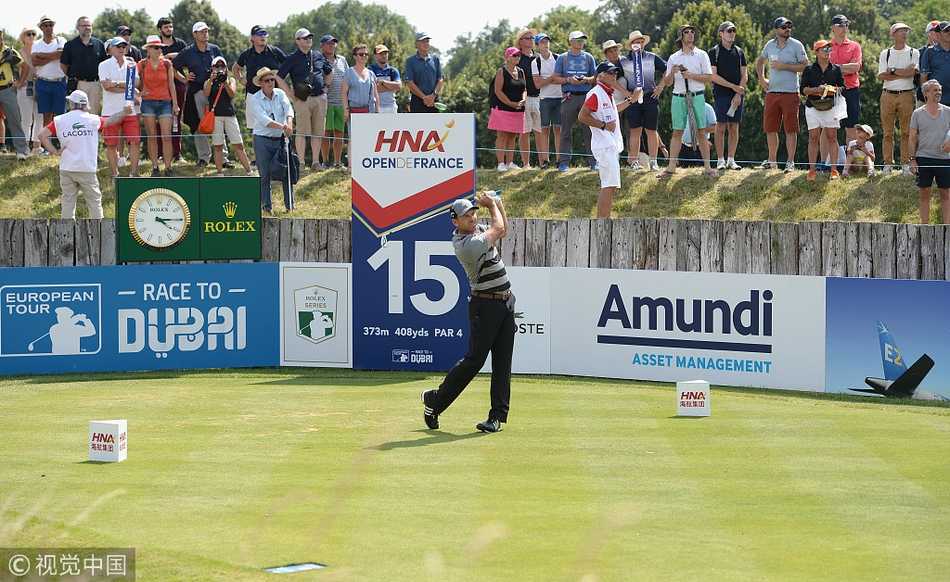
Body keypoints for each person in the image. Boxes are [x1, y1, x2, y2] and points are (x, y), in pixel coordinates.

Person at [422, 192, 513, 434]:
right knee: (474, 361)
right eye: (466, 215)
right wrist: (492, 203)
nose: (472, 216)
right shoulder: (467, 245)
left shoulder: (477, 231)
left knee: (503, 363)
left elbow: (502, 230)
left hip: (505, 302)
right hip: (485, 305)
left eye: (473, 212)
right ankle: (435, 401)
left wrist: (499, 203)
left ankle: (496, 418)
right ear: (455, 221)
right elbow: (498, 228)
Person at [37, 90, 133, 219]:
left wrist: (55, 152)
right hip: (87, 168)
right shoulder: (92, 119)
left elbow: (41, 136)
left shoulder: (59, 120)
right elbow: (111, 120)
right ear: (85, 104)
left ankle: (67, 235)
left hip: (67, 167)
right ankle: (98, 234)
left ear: (72, 103)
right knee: (94, 203)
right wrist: (124, 112)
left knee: (68, 203)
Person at [656, 24, 715, 178]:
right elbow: (668, 82)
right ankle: (671, 167)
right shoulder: (673, 58)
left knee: (701, 131)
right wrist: (672, 73)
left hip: (697, 96)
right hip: (678, 96)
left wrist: (691, 76)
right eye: (686, 32)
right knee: (677, 132)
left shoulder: (702, 55)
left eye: (692, 32)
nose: (690, 34)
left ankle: (708, 168)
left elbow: (709, 77)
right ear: (681, 37)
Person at [578, 61, 633, 217]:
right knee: (608, 186)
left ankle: (604, 221)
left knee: (611, 185)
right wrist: (603, 125)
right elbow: (582, 116)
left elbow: (615, 111)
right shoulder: (596, 93)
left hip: (610, 145)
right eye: (611, 73)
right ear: (601, 76)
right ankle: (603, 222)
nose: (614, 75)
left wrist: (631, 100)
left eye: (615, 72)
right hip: (604, 146)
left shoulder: (607, 93)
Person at [755, 17, 807, 172]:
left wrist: (784, 66)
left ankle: (790, 162)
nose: (787, 29)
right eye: (784, 27)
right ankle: (772, 161)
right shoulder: (769, 45)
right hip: (772, 93)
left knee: (791, 129)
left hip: (791, 93)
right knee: (770, 129)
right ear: (776, 29)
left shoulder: (797, 45)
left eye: (789, 27)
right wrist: (761, 79)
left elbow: (805, 66)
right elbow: (760, 61)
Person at [276, 28, 331, 171]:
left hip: (320, 98)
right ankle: (300, 163)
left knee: (318, 131)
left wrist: (326, 88)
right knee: (301, 132)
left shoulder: (318, 55)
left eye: (310, 38)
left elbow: (328, 71)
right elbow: (279, 77)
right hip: (302, 100)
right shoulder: (292, 58)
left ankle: (315, 162)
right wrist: (290, 95)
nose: (308, 40)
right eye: (305, 38)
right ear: (297, 41)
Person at [173, 21, 224, 167]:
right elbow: (172, 67)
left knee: (218, 124)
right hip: (197, 92)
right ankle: (204, 157)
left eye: (206, 31)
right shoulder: (187, 52)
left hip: (215, 92)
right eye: (201, 31)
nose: (205, 34)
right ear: (194, 34)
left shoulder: (215, 49)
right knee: (199, 125)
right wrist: (184, 79)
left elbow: (223, 67)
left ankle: (223, 159)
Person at [247, 67, 295, 215]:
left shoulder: (280, 94)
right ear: (260, 83)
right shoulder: (254, 99)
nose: (270, 82)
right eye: (267, 80)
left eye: (272, 79)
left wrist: (289, 123)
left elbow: (289, 110)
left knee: (287, 172)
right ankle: (267, 207)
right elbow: (264, 120)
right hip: (262, 140)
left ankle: (290, 206)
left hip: (281, 139)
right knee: (265, 174)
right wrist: (283, 126)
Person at [621, 30, 666, 172]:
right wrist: (626, 93)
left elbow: (667, 69)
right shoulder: (623, 61)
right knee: (635, 131)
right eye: (636, 42)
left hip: (650, 97)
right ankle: (634, 162)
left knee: (652, 131)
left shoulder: (652, 57)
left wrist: (660, 87)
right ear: (631, 44)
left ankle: (653, 162)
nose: (639, 44)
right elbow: (612, 78)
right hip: (633, 100)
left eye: (641, 41)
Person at [878, 23, 919, 176]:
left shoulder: (913, 52)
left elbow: (913, 72)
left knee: (906, 132)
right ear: (893, 34)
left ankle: (905, 164)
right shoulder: (885, 53)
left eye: (906, 31)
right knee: (887, 133)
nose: (904, 33)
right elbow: (881, 75)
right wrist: (904, 72)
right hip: (887, 94)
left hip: (907, 94)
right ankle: (888, 164)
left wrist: (893, 70)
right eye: (901, 31)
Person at [801, 39, 845, 181]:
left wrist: (831, 90)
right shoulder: (808, 69)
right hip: (812, 107)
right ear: (817, 52)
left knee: (832, 138)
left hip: (830, 107)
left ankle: (833, 170)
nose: (827, 52)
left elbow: (842, 87)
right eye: (824, 49)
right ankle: (812, 170)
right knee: (813, 138)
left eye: (829, 49)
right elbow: (803, 90)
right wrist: (817, 90)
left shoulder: (836, 69)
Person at [553, 30, 596, 171]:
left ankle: (594, 162)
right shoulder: (562, 58)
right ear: (570, 41)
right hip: (568, 97)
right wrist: (568, 80)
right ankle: (564, 162)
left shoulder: (589, 57)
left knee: (589, 130)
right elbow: (555, 78)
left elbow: (595, 78)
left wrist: (585, 80)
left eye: (583, 40)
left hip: (586, 97)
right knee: (565, 131)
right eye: (578, 40)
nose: (581, 42)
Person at [99, 37, 140, 177]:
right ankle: (115, 174)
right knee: (111, 144)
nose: (122, 48)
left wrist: (115, 84)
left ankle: (134, 174)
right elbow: (106, 86)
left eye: (124, 46)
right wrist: (126, 85)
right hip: (110, 111)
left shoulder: (132, 64)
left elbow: (135, 84)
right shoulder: (103, 65)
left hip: (130, 110)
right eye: (118, 46)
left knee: (134, 142)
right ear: (110, 49)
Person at [909, 80, 950, 223]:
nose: (938, 92)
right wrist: (912, 159)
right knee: (924, 194)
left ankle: (947, 228)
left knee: (946, 194)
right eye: (934, 90)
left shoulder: (948, 111)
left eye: (939, 90)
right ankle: (924, 227)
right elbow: (912, 138)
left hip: (945, 159)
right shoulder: (917, 113)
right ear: (926, 93)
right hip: (924, 158)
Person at [137, 35, 178, 176]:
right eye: (156, 47)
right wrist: (139, 93)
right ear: (148, 49)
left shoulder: (167, 64)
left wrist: (175, 104)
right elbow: (133, 82)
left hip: (165, 102)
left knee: (167, 137)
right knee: (152, 137)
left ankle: (168, 167)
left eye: (160, 47)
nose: (159, 49)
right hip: (148, 103)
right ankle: (155, 167)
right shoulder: (141, 64)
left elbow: (172, 85)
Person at [204, 56, 252, 175]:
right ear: (212, 68)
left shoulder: (231, 80)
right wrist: (211, 80)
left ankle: (249, 171)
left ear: (226, 67)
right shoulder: (209, 81)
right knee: (218, 146)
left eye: (222, 66)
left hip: (230, 115)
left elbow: (232, 94)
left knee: (238, 144)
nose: (220, 68)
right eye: (217, 66)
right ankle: (220, 172)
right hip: (216, 116)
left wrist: (224, 82)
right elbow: (206, 93)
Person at [709, 21, 747, 171]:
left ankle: (731, 160)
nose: (732, 33)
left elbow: (745, 74)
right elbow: (713, 76)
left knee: (734, 127)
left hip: (737, 95)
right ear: (721, 34)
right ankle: (720, 160)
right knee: (721, 127)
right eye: (728, 31)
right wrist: (733, 87)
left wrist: (738, 92)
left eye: (733, 31)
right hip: (721, 94)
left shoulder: (739, 52)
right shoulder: (714, 52)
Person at [234, 25, 286, 129]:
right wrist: (240, 79)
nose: (263, 37)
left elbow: (288, 66)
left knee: (279, 126)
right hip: (253, 95)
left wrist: (280, 80)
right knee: (255, 128)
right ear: (252, 38)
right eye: (259, 34)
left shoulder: (275, 52)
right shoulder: (246, 54)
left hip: (274, 95)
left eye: (264, 34)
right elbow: (236, 68)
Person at [488, 47, 527, 172]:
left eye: (518, 55)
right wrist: (511, 103)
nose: (517, 57)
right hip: (502, 108)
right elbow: (498, 91)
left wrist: (523, 100)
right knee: (502, 135)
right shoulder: (501, 71)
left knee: (512, 136)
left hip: (517, 108)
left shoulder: (521, 71)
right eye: (514, 55)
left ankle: (510, 162)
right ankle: (500, 163)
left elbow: (524, 89)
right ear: (507, 57)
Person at [343, 43, 380, 167]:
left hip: (368, 110)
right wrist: (346, 109)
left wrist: (378, 111)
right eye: (360, 54)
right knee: (353, 139)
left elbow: (375, 94)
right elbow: (343, 93)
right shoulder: (349, 73)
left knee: (367, 139)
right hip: (353, 110)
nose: (363, 56)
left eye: (366, 54)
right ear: (354, 56)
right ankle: (351, 166)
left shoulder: (370, 73)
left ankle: (365, 165)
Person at [60, 16, 106, 115]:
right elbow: (63, 65)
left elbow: (103, 65)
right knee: (77, 113)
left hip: (95, 85)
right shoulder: (70, 45)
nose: (87, 28)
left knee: (94, 113)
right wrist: (72, 76)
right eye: (84, 25)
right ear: (78, 27)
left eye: (89, 25)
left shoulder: (99, 44)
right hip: (78, 84)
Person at [156, 17, 187, 161]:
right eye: (166, 27)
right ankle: (160, 153)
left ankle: (176, 153)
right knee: (160, 119)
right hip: (160, 85)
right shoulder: (156, 44)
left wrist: (170, 55)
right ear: (160, 29)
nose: (169, 29)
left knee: (176, 118)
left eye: (170, 27)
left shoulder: (180, 43)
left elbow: (188, 57)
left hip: (179, 84)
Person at [829, 15, 862, 145]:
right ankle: (827, 163)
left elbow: (855, 67)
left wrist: (835, 68)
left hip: (851, 90)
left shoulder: (855, 46)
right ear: (833, 28)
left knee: (851, 127)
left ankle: (850, 163)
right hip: (831, 91)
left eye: (846, 25)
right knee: (829, 129)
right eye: (841, 25)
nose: (844, 28)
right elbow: (824, 70)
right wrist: (844, 67)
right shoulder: (827, 46)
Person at [320, 34, 349, 168]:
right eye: (328, 43)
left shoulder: (342, 60)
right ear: (322, 45)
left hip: (341, 102)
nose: (332, 45)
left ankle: (337, 162)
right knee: (325, 133)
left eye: (333, 43)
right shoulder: (318, 59)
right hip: (325, 102)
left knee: (339, 133)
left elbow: (348, 78)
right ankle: (325, 162)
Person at [32, 16, 67, 126]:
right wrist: (54, 56)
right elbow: (34, 61)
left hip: (59, 82)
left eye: (51, 25)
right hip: (43, 82)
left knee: (60, 115)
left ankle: (61, 142)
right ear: (41, 28)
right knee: (46, 115)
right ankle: (46, 141)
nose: (48, 27)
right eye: (45, 25)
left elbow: (61, 54)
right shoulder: (36, 43)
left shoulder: (61, 40)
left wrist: (41, 55)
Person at [532, 33, 560, 168]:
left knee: (559, 129)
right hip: (544, 99)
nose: (545, 44)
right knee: (544, 130)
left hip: (559, 98)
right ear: (537, 45)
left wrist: (547, 80)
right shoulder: (535, 62)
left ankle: (560, 160)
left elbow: (561, 78)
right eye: (542, 42)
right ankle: (545, 161)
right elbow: (537, 85)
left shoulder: (558, 58)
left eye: (547, 41)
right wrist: (552, 78)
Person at [0, 32, 29, 160]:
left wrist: (20, 82)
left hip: (7, 90)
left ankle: (21, 151)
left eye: (0, 38)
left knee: (14, 121)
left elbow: (25, 66)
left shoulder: (9, 52)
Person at [15, 28, 41, 155]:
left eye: (33, 34)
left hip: (40, 86)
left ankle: (37, 146)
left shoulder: (40, 50)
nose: (31, 36)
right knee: (26, 120)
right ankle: (24, 147)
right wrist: (17, 82)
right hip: (25, 88)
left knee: (40, 117)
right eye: (28, 34)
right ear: (22, 37)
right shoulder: (18, 53)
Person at [517, 29, 540, 168]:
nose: (531, 40)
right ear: (520, 41)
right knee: (524, 132)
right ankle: (526, 164)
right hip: (524, 98)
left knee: (540, 131)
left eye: (533, 37)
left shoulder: (538, 57)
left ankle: (543, 162)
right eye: (527, 38)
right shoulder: (517, 57)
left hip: (539, 97)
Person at [405, 32, 443, 113]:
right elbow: (409, 82)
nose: (426, 43)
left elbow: (440, 80)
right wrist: (424, 98)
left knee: (435, 125)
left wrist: (433, 95)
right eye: (423, 41)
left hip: (434, 101)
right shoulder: (410, 61)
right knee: (418, 126)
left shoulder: (435, 59)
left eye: (427, 41)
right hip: (417, 101)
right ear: (416, 44)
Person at [921, 22, 950, 106]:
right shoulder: (929, 52)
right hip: (937, 101)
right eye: (946, 30)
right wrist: (927, 99)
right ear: (938, 35)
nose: (949, 32)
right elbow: (924, 77)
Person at [680, 101, 718, 166]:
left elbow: (715, 127)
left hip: (700, 148)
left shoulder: (707, 107)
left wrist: (701, 131)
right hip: (684, 148)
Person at [369, 44, 401, 114]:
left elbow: (398, 86)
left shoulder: (393, 70)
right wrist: (391, 87)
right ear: (375, 56)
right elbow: (372, 89)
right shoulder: (370, 70)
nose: (384, 56)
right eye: (381, 54)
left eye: (385, 53)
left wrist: (383, 82)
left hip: (391, 107)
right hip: (375, 107)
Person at [918, 21, 942, 104]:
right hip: (923, 98)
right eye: (934, 31)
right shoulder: (919, 52)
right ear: (928, 33)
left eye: (939, 30)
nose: (937, 33)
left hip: (944, 96)